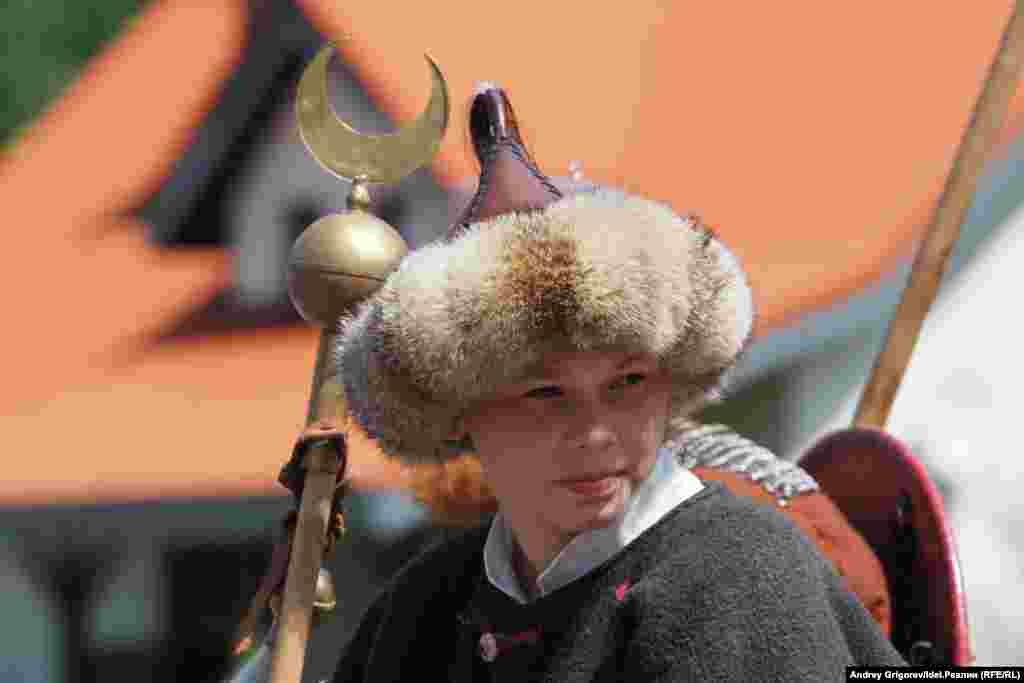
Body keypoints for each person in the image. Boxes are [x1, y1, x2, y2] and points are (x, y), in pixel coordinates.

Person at [327, 85, 906, 681]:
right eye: (545, 393)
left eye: (628, 382)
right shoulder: (425, 606)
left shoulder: (737, 573)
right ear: (462, 411)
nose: (596, 432)